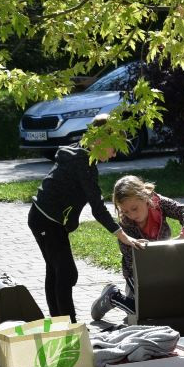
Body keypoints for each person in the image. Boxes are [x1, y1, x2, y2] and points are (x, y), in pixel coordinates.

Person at [28, 114, 144, 323]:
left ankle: (59, 322)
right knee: (65, 273)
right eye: (114, 147)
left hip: (46, 220)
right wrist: (123, 236)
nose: (115, 153)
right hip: (45, 220)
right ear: (100, 140)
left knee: (57, 271)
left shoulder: (82, 155)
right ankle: (68, 325)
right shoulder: (82, 161)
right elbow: (97, 208)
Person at [90, 175, 184, 321]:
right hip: (137, 273)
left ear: (145, 197)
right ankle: (113, 297)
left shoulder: (159, 204)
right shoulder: (125, 226)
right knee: (147, 312)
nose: (131, 215)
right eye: (126, 211)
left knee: (167, 307)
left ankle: (133, 304)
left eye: (134, 209)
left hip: (163, 268)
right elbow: (132, 261)